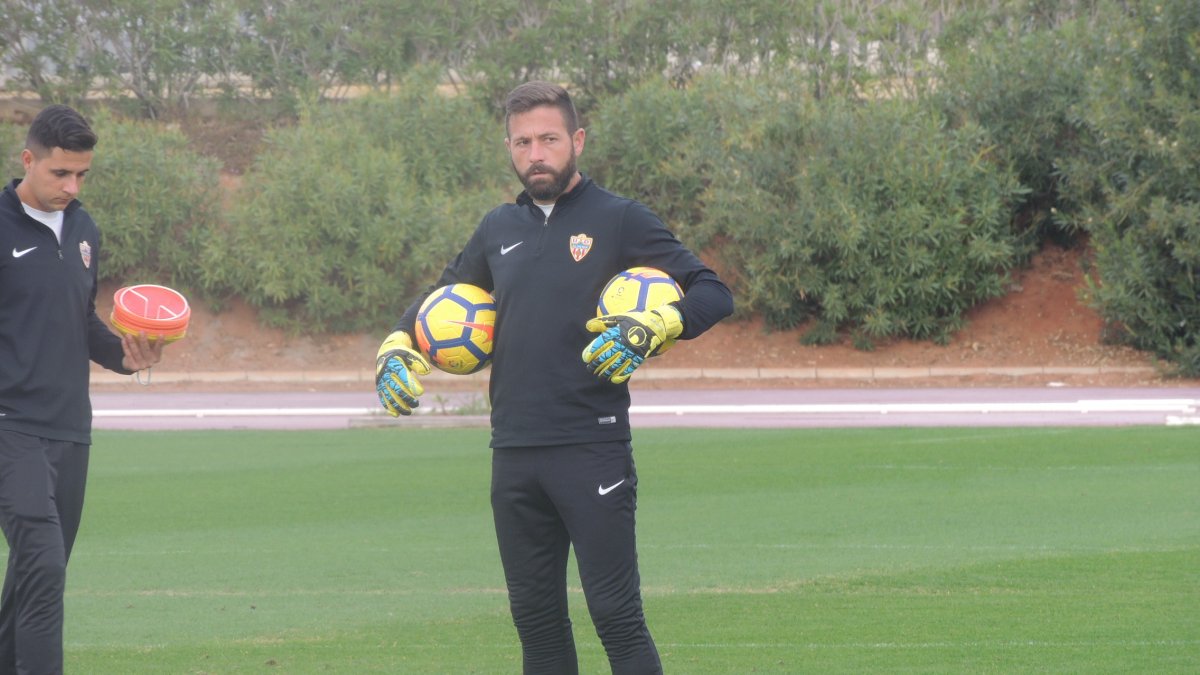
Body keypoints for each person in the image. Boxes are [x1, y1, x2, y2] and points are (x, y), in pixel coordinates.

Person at [376, 81, 734, 674]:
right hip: (513, 452)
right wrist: (394, 347)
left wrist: (655, 326)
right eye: (522, 142)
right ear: (509, 149)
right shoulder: (497, 228)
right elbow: (434, 302)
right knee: (537, 624)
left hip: (591, 447)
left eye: (548, 139)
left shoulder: (619, 219)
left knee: (616, 617)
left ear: (577, 141)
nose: (535, 153)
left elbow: (713, 293)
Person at [0, 104, 164, 673]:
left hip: (71, 429)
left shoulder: (85, 230)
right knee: (43, 563)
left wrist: (126, 353)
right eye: (59, 174)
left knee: (34, 573)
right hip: (9, 427)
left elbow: (80, 320)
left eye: (81, 175)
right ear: (28, 160)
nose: (72, 187)